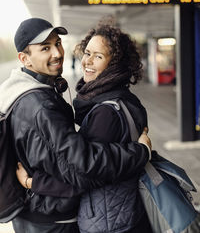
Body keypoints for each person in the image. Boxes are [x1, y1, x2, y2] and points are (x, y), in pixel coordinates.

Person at [0, 18, 152, 233]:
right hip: (51, 219)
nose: (58, 53)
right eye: (45, 48)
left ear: (115, 63)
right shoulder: (40, 105)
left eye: (57, 43)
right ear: (25, 59)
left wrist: (31, 183)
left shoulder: (18, 92)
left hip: (50, 214)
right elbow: (83, 170)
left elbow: (79, 167)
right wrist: (140, 152)